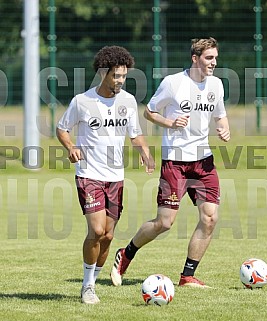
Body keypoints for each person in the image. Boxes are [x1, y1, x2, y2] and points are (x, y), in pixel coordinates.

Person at [110, 37, 230, 288]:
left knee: (210, 218)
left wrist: (223, 129)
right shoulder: (173, 83)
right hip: (175, 162)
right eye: (209, 58)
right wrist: (170, 123)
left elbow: (220, 116)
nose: (214, 63)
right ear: (195, 58)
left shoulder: (217, 85)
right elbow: (149, 112)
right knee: (164, 222)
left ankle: (187, 276)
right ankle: (127, 253)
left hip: (203, 161)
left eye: (215, 58)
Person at [56, 45, 155, 304]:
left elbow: (135, 133)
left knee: (109, 235)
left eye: (124, 76)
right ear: (103, 73)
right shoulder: (83, 101)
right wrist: (71, 147)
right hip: (89, 174)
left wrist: (144, 151)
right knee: (97, 230)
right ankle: (87, 287)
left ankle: (94, 280)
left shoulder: (128, 101)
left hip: (116, 177)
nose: (120, 81)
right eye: (116, 75)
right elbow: (62, 129)